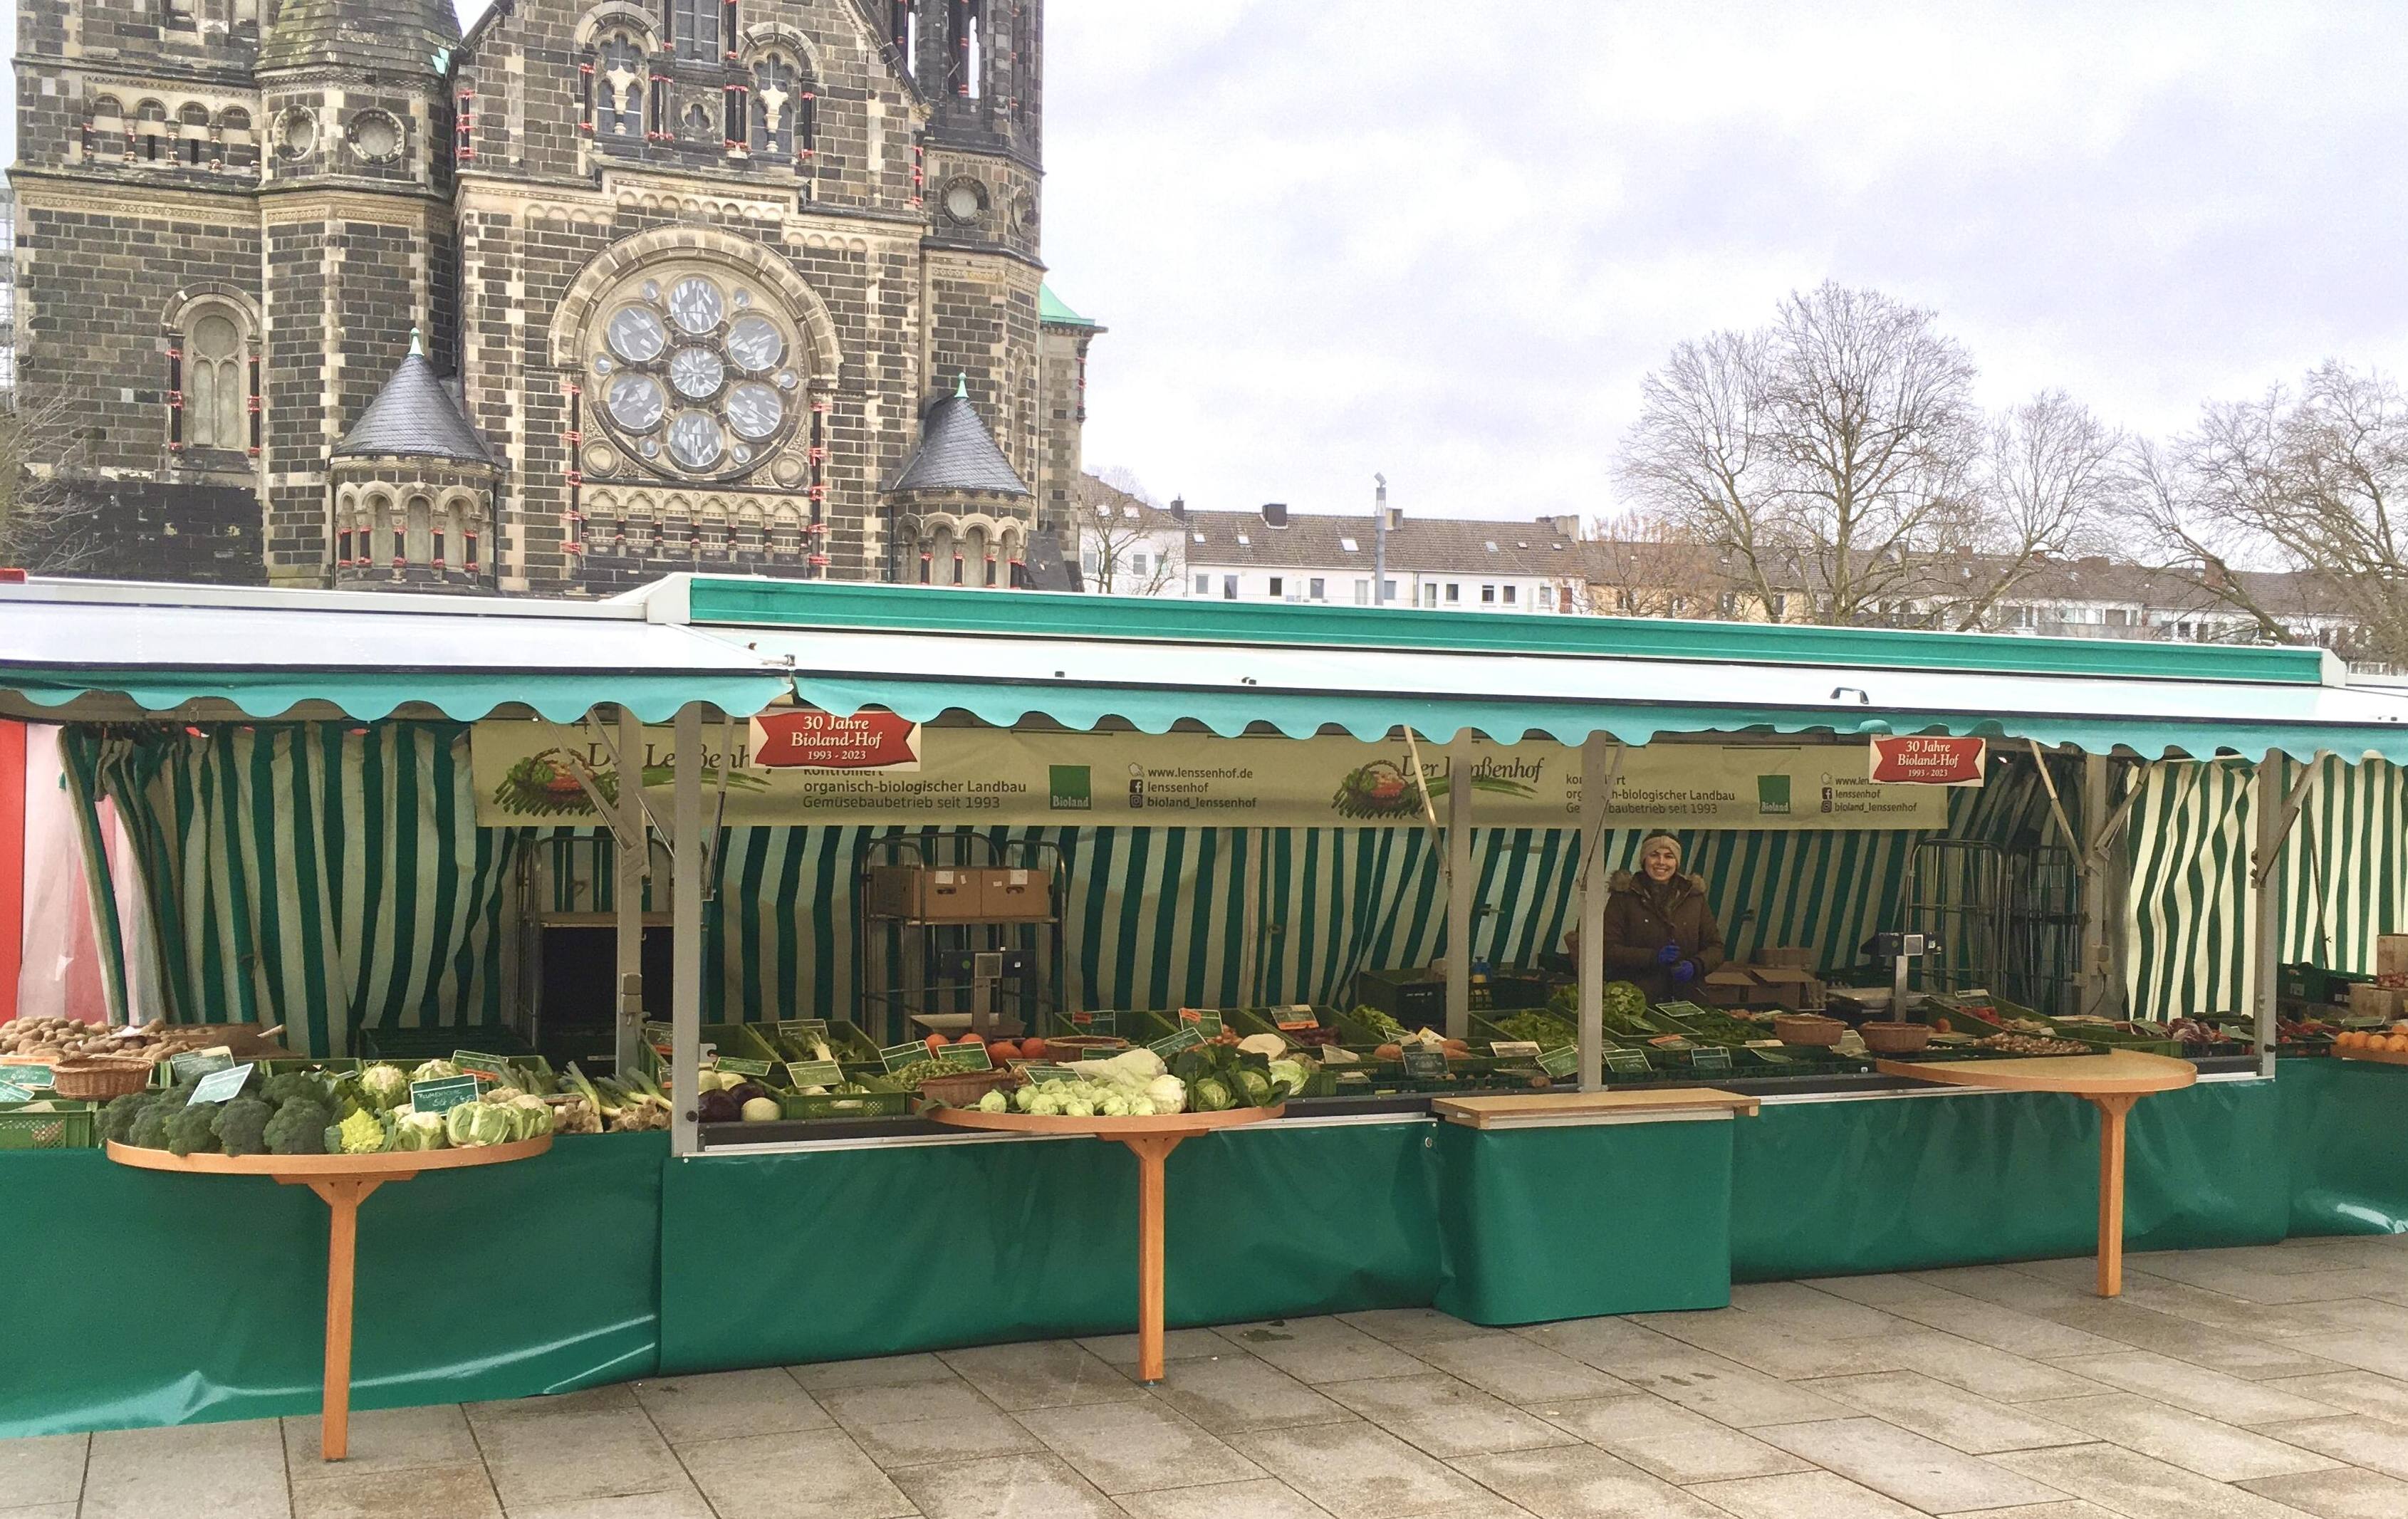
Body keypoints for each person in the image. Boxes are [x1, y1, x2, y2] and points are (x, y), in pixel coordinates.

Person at [1600, 830, 1726, 1005]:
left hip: (1687, 999)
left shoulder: (1694, 898)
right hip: (1635, 1000)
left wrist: (1695, 965)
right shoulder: (1624, 897)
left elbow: (1716, 948)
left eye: (1669, 856)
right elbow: (1607, 949)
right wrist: (1652, 957)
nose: (1661, 862)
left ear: (1677, 862)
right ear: (1644, 860)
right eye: (1654, 855)